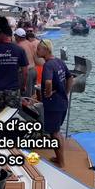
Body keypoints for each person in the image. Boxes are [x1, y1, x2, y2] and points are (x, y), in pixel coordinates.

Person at [37, 39, 74, 168]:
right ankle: (59, 158)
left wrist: (47, 94)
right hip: (62, 102)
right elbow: (70, 78)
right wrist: (66, 92)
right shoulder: (59, 61)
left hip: (53, 105)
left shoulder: (48, 65)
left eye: (39, 49)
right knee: (57, 131)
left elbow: (48, 82)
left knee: (55, 133)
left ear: (46, 50)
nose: (37, 51)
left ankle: (61, 162)